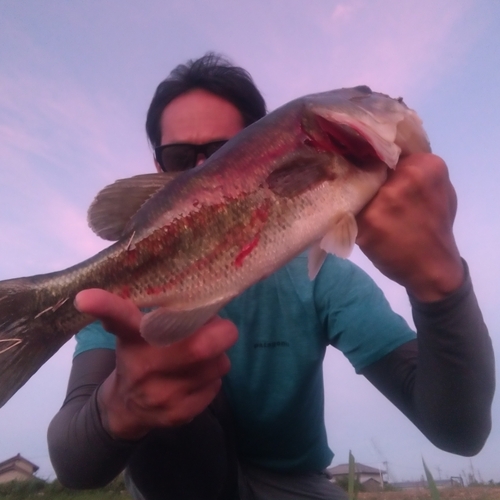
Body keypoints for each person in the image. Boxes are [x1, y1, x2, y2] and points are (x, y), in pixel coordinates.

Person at [48, 53, 495, 500]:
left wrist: (440, 285)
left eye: (225, 151)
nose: (204, 166)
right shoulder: (118, 303)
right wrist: (121, 406)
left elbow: (458, 430)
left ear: (261, 151)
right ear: (158, 168)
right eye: (181, 156)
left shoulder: (323, 277)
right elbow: (73, 463)